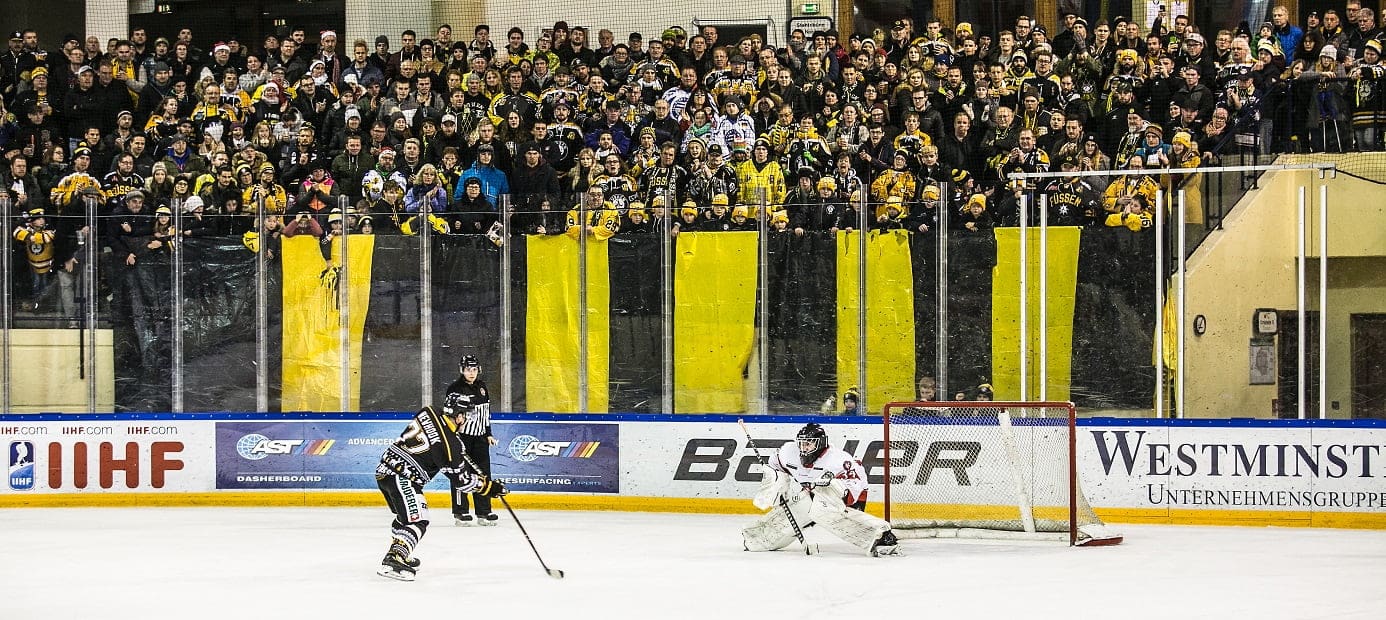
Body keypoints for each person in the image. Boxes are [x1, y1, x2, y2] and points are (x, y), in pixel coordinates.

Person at [375, 404, 508, 581]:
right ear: (459, 418)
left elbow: (438, 435)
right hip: (403, 478)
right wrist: (489, 488)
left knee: (404, 518)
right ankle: (394, 558)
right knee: (418, 520)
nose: (465, 420)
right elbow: (462, 482)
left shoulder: (429, 411)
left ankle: (401, 552)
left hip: (384, 472)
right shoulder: (451, 446)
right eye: (465, 417)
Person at [741, 423, 898, 556]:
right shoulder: (789, 452)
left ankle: (881, 535)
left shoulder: (838, 459)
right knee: (799, 506)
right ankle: (760, 538)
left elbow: (857, 483)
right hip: (813, 494)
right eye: (802, 443)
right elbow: (775, 467)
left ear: (821, 443)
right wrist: (777, 482)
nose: (803, 447)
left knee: (820, 506)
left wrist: (834, 488)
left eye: (809, 443)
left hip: (849, 495)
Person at [444, 355, 498, 525]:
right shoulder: (454, 389)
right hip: (462, 438)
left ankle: (484, 512)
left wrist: (488, 433)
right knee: (460, 474)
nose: (472, 373)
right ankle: (460, 512)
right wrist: (453, 436)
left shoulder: (482, 387)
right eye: (468, 369)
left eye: (474, 369)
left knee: (483, 474)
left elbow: (486, 414)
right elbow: (448, 414)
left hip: (480, 438)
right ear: (462, 370)